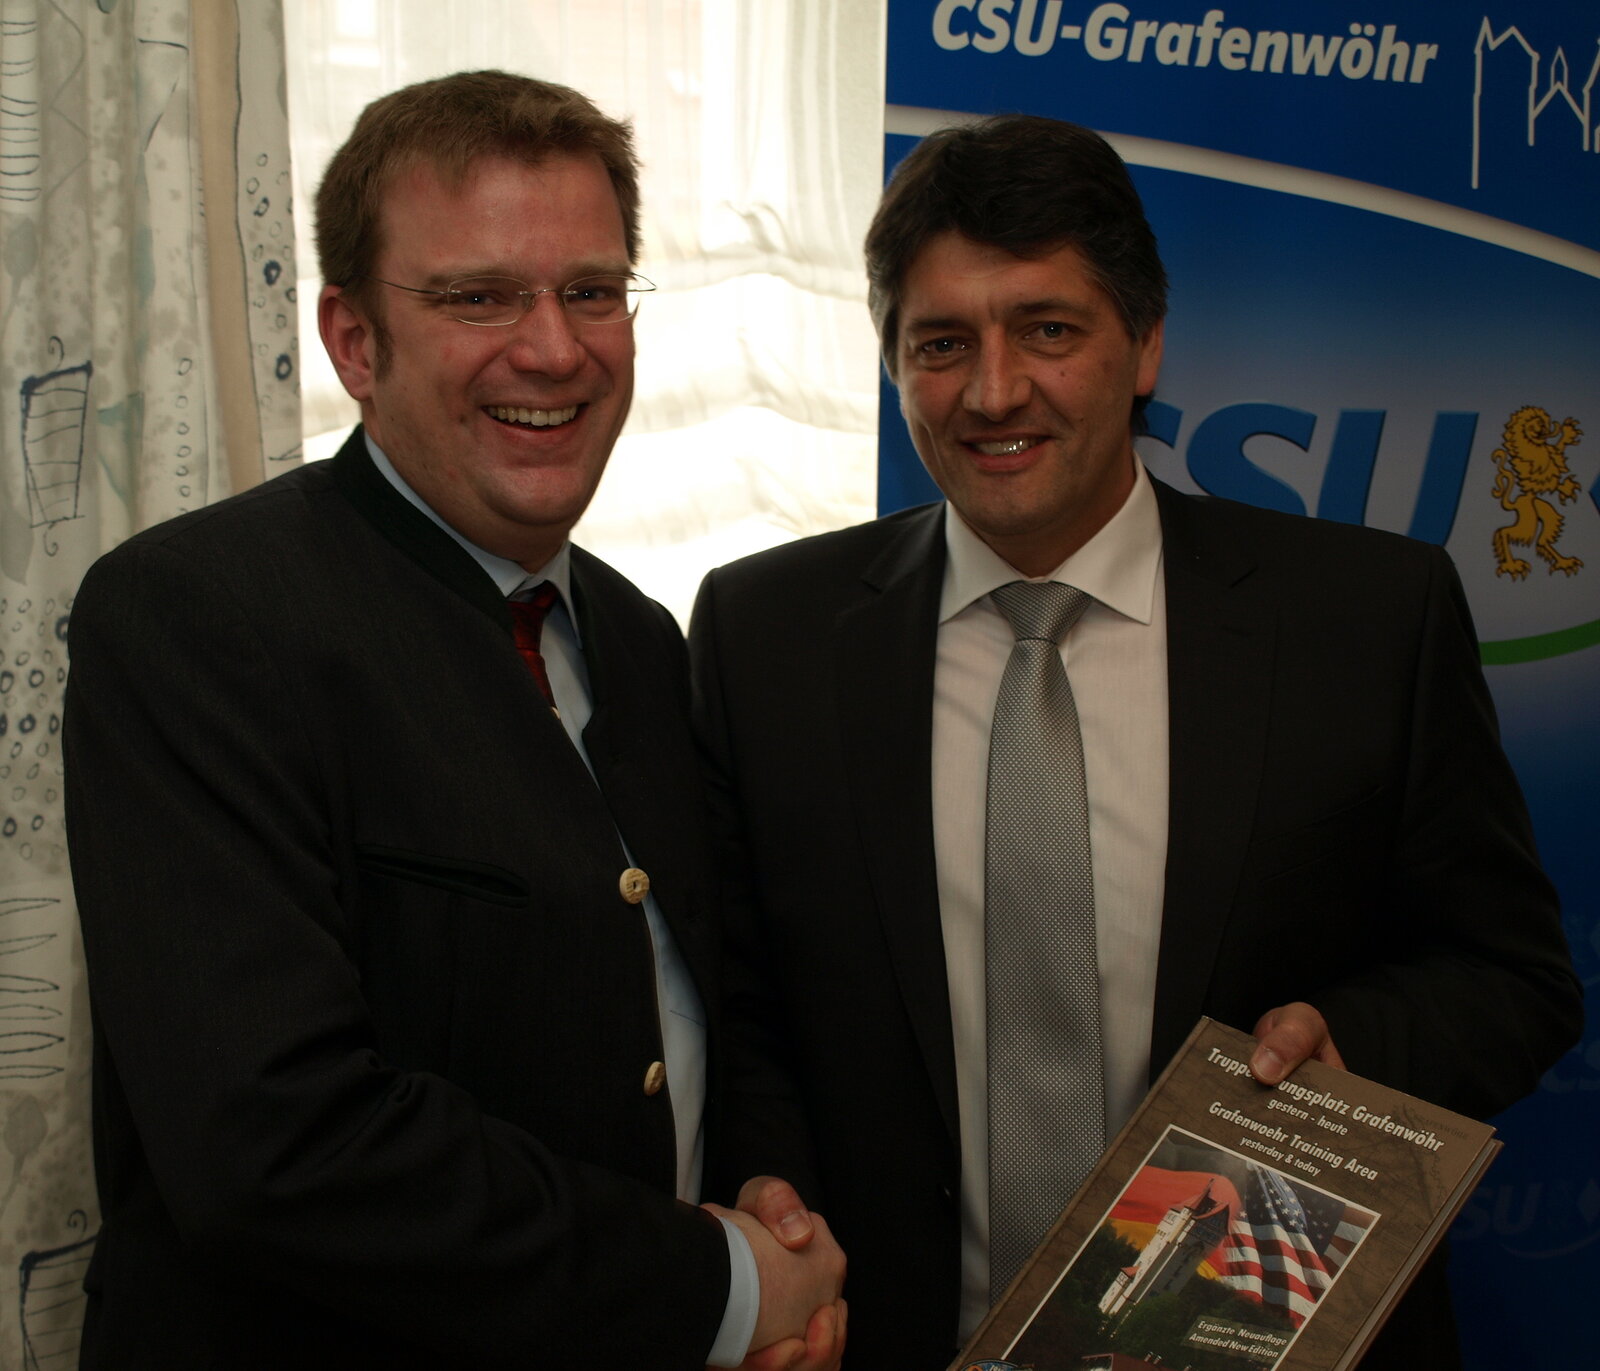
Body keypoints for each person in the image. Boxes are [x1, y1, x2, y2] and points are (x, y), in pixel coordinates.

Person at [688, 114, 1581, 1369]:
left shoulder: (1367, 619)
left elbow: (1512, 979)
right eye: (941, 344)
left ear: (1146, 341)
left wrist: (1349, 1052)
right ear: (891, 363)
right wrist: (767, 1193)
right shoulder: (765, 633)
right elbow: (735, 1006)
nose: (993, 391)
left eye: (1048, 330)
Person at [64, 71, 844, 1371]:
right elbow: (278, 1148)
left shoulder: (639, 636)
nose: (553, 348)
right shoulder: (198, 617)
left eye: (591, 290)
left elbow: (704, 993)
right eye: (478, 297)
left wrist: (773, 1209)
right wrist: (715, 1285)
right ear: (354, 340)